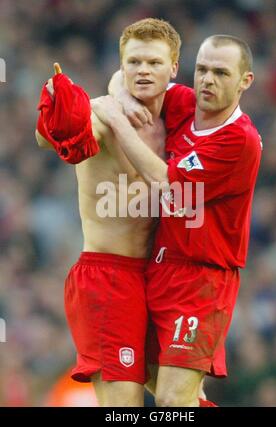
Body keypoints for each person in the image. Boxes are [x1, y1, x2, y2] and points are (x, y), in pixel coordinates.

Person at [91, 34, 262, 407]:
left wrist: (116, 120)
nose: (207, 81)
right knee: (149, 384)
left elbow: (168, 182)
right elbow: (128, 77)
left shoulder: (238, 140)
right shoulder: (185, 102)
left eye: (220, 72)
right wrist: (120, 98)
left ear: (244, 81)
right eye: (201, 70)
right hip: (157, 270)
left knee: (171, 403)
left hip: (202, 281)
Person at [35, 18, 180, 407]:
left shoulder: (179, 118)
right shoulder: (102, 116)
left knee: (181, 397)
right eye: (133, 62)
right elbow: (52, 135)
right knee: (123, 408)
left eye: (153, 62)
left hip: (158, 280)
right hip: (107, 277)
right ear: (121, 65)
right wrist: (57, 107)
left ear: (174, 68)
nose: (143, 70)